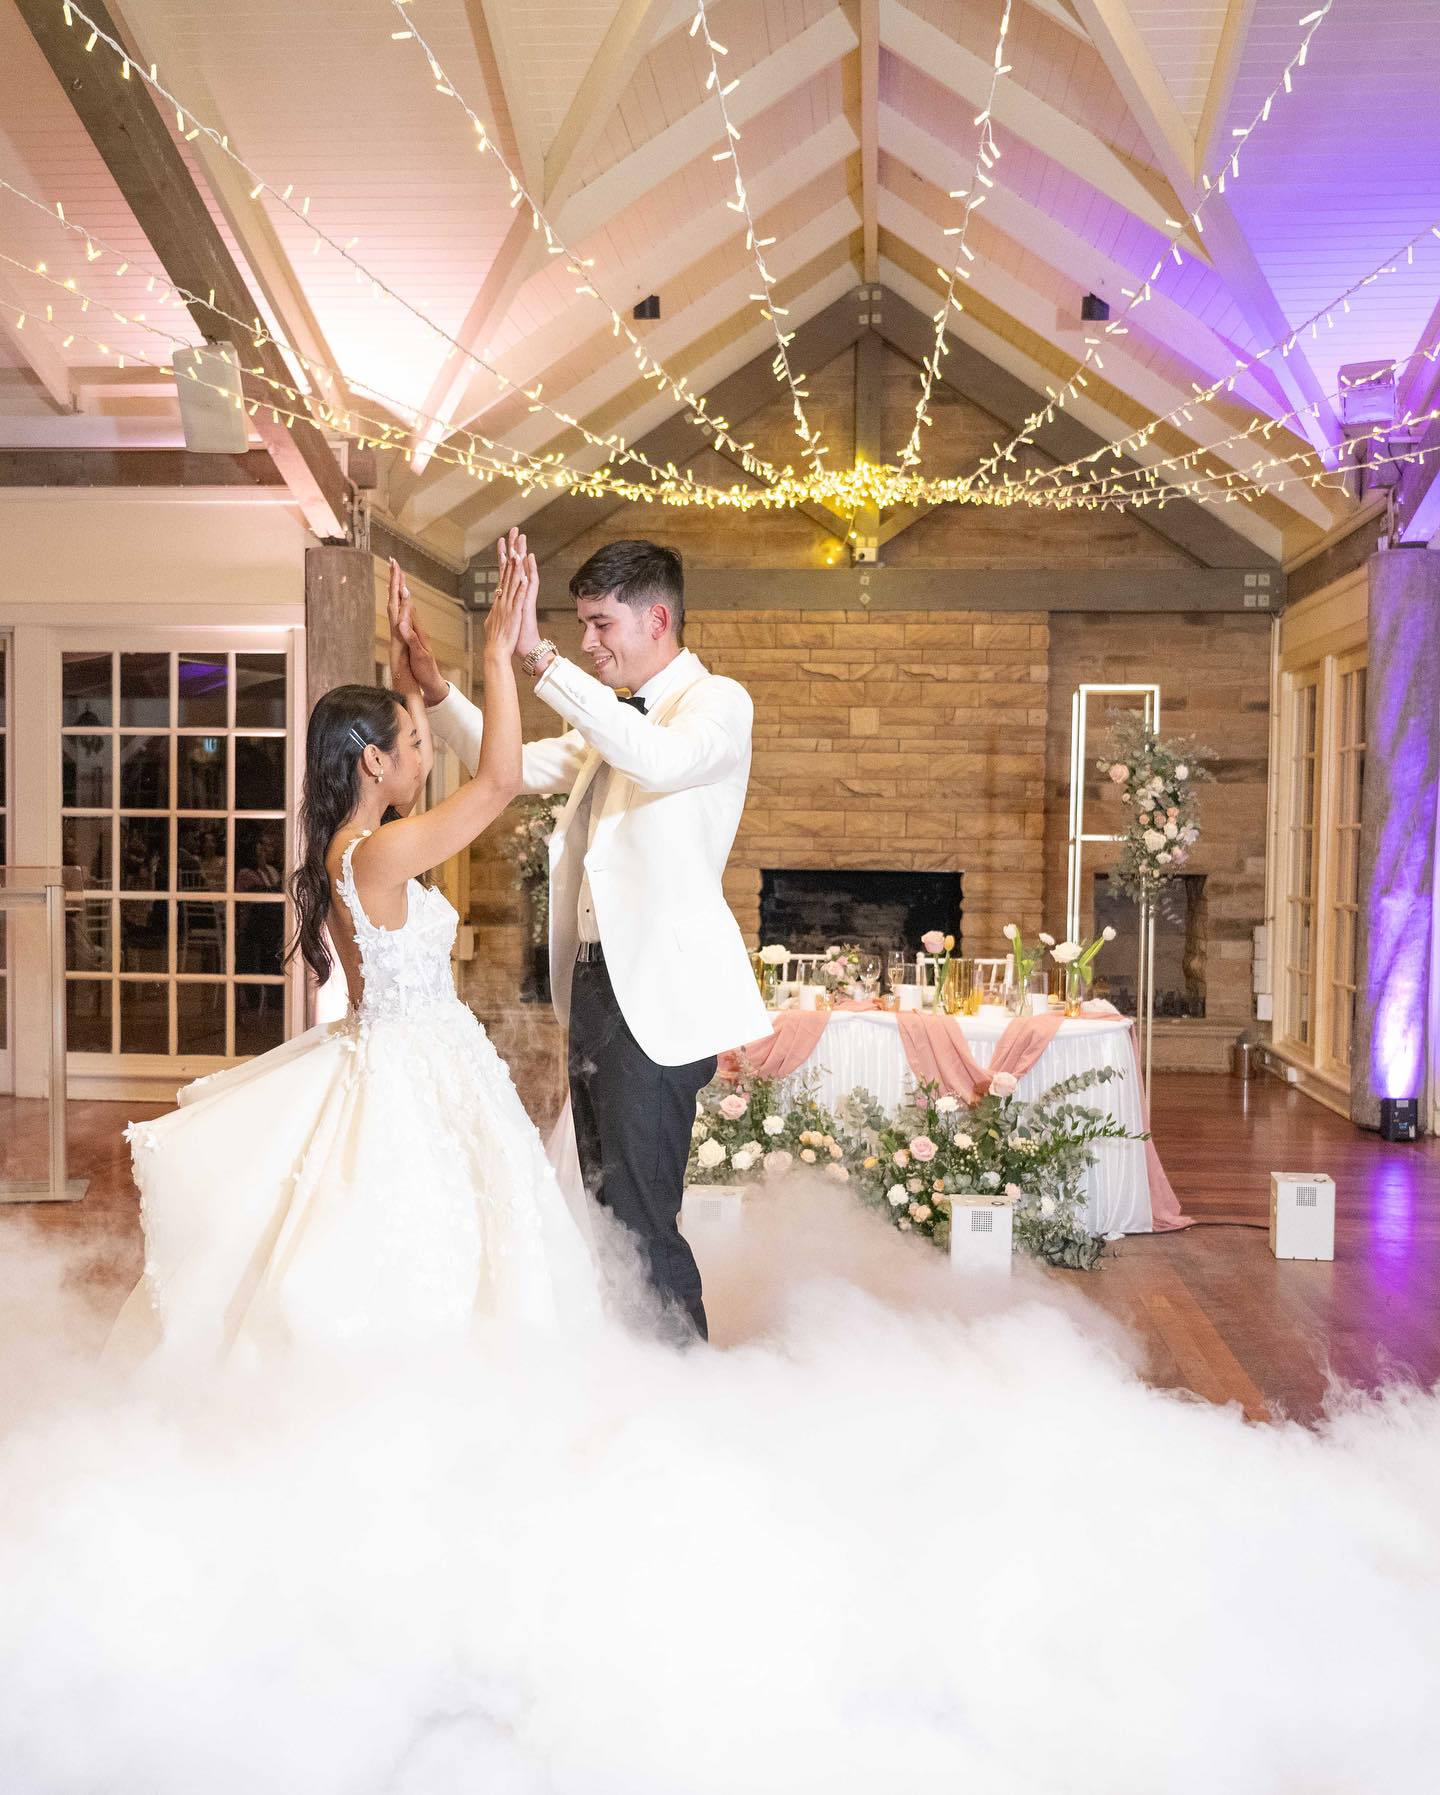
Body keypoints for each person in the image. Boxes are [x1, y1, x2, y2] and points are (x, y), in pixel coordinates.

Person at [108, 555, 599, 1362]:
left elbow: (430, 767)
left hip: (409, 1052)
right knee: (436, 1246)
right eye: (412, 744)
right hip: (419, 1068)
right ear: (373, 761)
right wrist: (494, 657)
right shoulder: (378, 854)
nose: (424, 755)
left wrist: (417, 674)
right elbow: (502, 778)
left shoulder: (356, 843)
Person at [395, 531, 768, 1342]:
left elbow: (658, 761)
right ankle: (628, 1373)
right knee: (600, 1205)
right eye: (583, 626)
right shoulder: (615, 722)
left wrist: (540, 659)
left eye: (602, 625)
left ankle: (685, 1385)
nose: (590, 642)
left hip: (657, 999)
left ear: (657, 619)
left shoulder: (715, 706)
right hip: (597, 987)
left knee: (641, 1211)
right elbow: (514, 766)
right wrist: (435, 694)